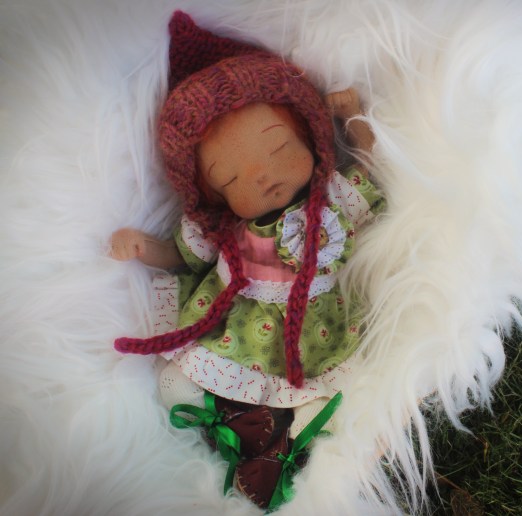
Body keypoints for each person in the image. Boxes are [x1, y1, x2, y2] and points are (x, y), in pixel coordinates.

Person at [109, 11, 379, 507]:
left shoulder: (332, 202)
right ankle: (234, 421)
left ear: (309, 135)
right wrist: (145, 248)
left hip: (317, 333)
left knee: (333, 394)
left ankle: (292, 437)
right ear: (212, 194)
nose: (261, 177)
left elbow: (373, 168)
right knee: (175, 382)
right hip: (237, 330)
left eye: (278, 147)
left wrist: (355, 118)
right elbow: (184, 259)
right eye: (229, 178)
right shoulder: (223, 232)